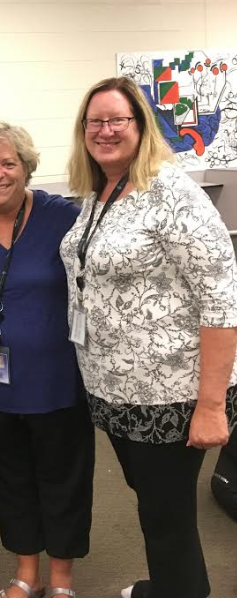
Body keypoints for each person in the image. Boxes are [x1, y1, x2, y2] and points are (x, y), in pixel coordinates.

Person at [59, 76, 237, 598]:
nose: (106, 130)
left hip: (173, 392)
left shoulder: (171, 190)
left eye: (118, 120)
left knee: (166, 512)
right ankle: (170, 586)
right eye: (96, 122)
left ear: (141, 126)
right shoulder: (100, 191)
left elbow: (222, 299)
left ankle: (181, 590)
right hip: (118, 389)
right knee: (155, 501)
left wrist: (210, 405)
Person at [0, 120, 95, 598]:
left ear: (27, 169)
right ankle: (26, 572)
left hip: (58, 380)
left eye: (9, 163)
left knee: (63, 478)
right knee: (8, 479)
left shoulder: (62, 217)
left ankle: (62, 580)